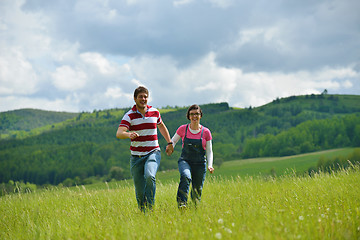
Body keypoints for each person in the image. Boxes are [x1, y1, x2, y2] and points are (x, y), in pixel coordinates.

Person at [116, 86, 174, 211]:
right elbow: (119, 133)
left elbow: (162, 126)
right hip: (136, 157)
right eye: (140, 97)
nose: (143, 99)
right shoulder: (129, 115)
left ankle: (151, 208)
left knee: (149, 175)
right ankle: (144, 214)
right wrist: (128, 134)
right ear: (135, 99)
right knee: (140, 191)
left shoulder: (155, 112)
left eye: (145, 96)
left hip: (153, 152)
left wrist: (169, 142)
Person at [167, 104, 214, 208]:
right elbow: (173, 140)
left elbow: (209, 151)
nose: (194, 116)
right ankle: (182, 204)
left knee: (197, 191)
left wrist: (210, 165)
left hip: (200, 164)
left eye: (197, 114)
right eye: (192, 114)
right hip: (185, 161)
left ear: (200, 115)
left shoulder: (206, 132)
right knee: (186, 176)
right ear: (188, 116)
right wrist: (171, 146)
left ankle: (194, 210)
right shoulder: (183, 129)